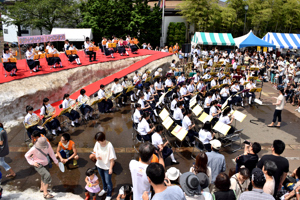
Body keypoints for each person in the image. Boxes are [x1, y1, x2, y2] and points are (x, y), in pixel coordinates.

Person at [93, 132, 116, 200]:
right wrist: (97, 157)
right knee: (103, 179)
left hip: (107, 166)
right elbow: (94, 151)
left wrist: (111, 168)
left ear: (103, 139)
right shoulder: (97, 143)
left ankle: (109, 194)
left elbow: (112, 159)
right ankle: (104, 189)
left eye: (99, 140)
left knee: (108, 181)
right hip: (99, 165)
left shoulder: (109, 145)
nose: (98, 142)